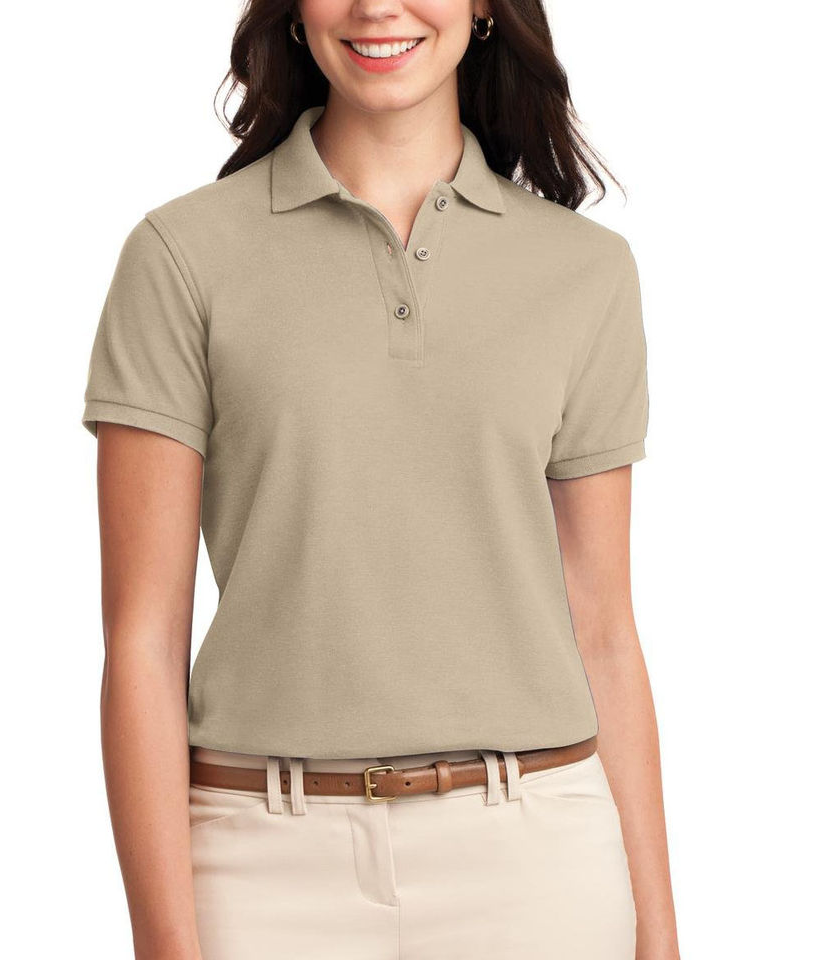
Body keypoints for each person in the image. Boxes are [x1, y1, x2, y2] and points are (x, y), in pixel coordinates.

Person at [81, 2, 680, 958]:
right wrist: (164, 944)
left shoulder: (585, 271)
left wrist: (660, 933)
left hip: (537, 866)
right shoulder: (181, 258)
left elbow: (605, 627)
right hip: (260, 869)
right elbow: (142, 641)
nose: (375, 7)